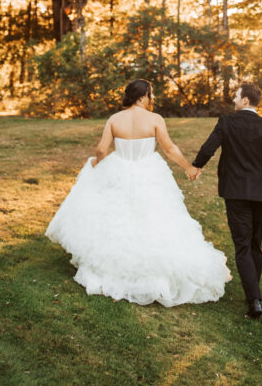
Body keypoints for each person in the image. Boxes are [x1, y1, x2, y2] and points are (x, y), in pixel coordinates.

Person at [45, 78, 231, 306]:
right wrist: (188, 167)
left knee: (116, 218)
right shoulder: (155, 119)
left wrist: (96, 162)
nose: (152, 98)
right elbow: (169, 149)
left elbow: (101, 149)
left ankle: (113, 264)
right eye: (151, 94)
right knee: (154, 217)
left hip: (118, 170)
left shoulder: (115, 119)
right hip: (148, 172)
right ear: (143, 96)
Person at [191, 82, 262, 320]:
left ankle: (254, 300)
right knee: (255, 244)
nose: (234, 100)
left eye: (236, 96)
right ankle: (253, 292)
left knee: (243, 246)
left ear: (245, 100)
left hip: (236, 192)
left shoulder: (227, 122)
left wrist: (197, 166)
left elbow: (209, 148)